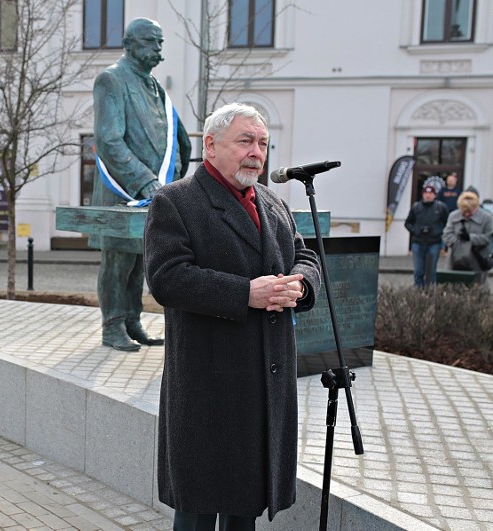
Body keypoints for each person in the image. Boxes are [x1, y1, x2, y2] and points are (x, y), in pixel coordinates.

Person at [144, 102, 321, 529]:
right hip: (208, 387)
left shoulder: (272, 202)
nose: (256, 152)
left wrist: (299, 283)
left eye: (262, 142)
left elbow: (305, 255)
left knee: (246, 506)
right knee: (199, 508)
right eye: (245, 141)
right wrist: (245, 293)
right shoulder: (176, 201)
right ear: (210, 145)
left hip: (265, 384)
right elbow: (167, 278)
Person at [91, 17, 192, 351]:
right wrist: (145, 179)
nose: (158, 48)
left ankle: (133, 322)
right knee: (118, 261)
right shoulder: (112, 80)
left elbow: (171, 138)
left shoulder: (155, 87)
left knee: (140, 261)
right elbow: (108, 140)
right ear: (129, 43)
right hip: (123, 192)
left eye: (160, 42)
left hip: (155, 194)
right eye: (151, 41)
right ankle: (111, 326)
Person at [442, 191, 493, 284]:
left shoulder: (487, 218)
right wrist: (458, 244)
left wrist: (470, 238)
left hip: (477, 259)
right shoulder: (454, 216)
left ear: (476, 207)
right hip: (456, 259)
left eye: (470, 212)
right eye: (464, 211)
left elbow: (488, 238)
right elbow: (446, 234)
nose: (466, 214)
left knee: (477, 288)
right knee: (454, 287)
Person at [404, 184, 449, 287]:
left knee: (431, 271)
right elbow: (408, 223)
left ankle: (431, 293)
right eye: (426, 193)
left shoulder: (441, 207)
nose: (428, 195)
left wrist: (437, 231)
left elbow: (447, 224)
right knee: (418, 270)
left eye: (430, 193)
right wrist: (416, 231)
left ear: (434, 195)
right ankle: (418, 293)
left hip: (434, 242)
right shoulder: (416, 207)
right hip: (418, 242)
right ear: (423, 194)